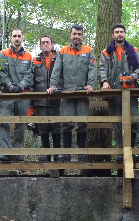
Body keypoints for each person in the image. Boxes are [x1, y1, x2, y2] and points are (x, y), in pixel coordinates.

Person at [48, 25, 96, 162]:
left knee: (82, 122)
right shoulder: (63, 51)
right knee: (66, 123)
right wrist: (53, 85)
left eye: (79, 34)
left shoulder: (89, 51)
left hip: (82, 92)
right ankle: (67, 154)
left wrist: (90, 84)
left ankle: (81, 154)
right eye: (74, 34)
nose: (77, 36)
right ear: (70, 35)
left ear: (82, 36)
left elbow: (92, 69)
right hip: (67, 92)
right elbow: (56, 70)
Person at [99, 23, 139, 162]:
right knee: (118, 122)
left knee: (134, 120)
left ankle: (131, 150)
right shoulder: (106, 52)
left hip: (130, 90)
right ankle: (121, 152)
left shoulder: (133, 50)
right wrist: (104, 81)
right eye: (117, 32)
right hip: (113, 91)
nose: (119, 34)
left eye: (122, 32)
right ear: (113, 35)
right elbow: (102, 68)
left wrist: (132, 78)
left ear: (125, 34)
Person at [0, 28, 34, 162]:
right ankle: (5, 152)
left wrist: (22, 85)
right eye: (14, 36)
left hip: (23, 95)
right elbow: (0, 72)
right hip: (7, 94)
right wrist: (9, 85)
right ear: (10, 38)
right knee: (4, 121)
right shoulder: (3, 53)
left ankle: (17, 151)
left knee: (21, 124)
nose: (17, 38)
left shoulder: (29, 56)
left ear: (22, 38)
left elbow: (30, 74)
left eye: (19, 36)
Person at [32, 35, 62, 162]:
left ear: (52, 44)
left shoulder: (59, 59)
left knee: (56, 126)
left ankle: (57, 153)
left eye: (47, 42)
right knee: (43, 127)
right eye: (42, 43)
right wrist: (31, 105)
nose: (45, 44)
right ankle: (46, 153)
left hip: (57, 100)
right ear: (40, 45)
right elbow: (31, 81)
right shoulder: (35, 61)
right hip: (40, 100)